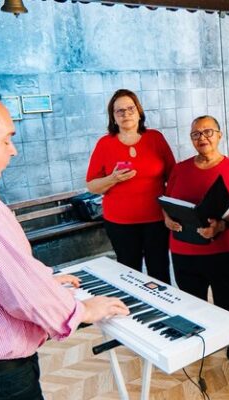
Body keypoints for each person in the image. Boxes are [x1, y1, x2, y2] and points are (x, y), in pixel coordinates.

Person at [0, 83, 129, 399]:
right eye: (6, 139)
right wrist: (83, 310)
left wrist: (42, 281)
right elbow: (24, 296)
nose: (13, 150)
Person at [163, 115, 229, 361]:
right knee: (190, 300)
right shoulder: (180, 169)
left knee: (226, 295)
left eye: (208, 132)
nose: (202, 138)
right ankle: (197, 341)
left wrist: (222, 224)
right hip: (183, 248)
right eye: (196, 134)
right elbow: (167, 200)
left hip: (221, 248)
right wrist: (167, 219)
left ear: (219, 135)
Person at [86, 89, 176, 283]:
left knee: (160, 272)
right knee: (129, 275)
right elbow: (92, 186)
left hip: (156, 221)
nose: (126, 114)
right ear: (113, 117)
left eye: (130, 109)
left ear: (139, 112)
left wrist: (172, 211)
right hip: (120, 224)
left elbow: (173, 177)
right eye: (119, 111)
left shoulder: (155, 138)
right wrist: (113, 178)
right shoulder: (105, 144)